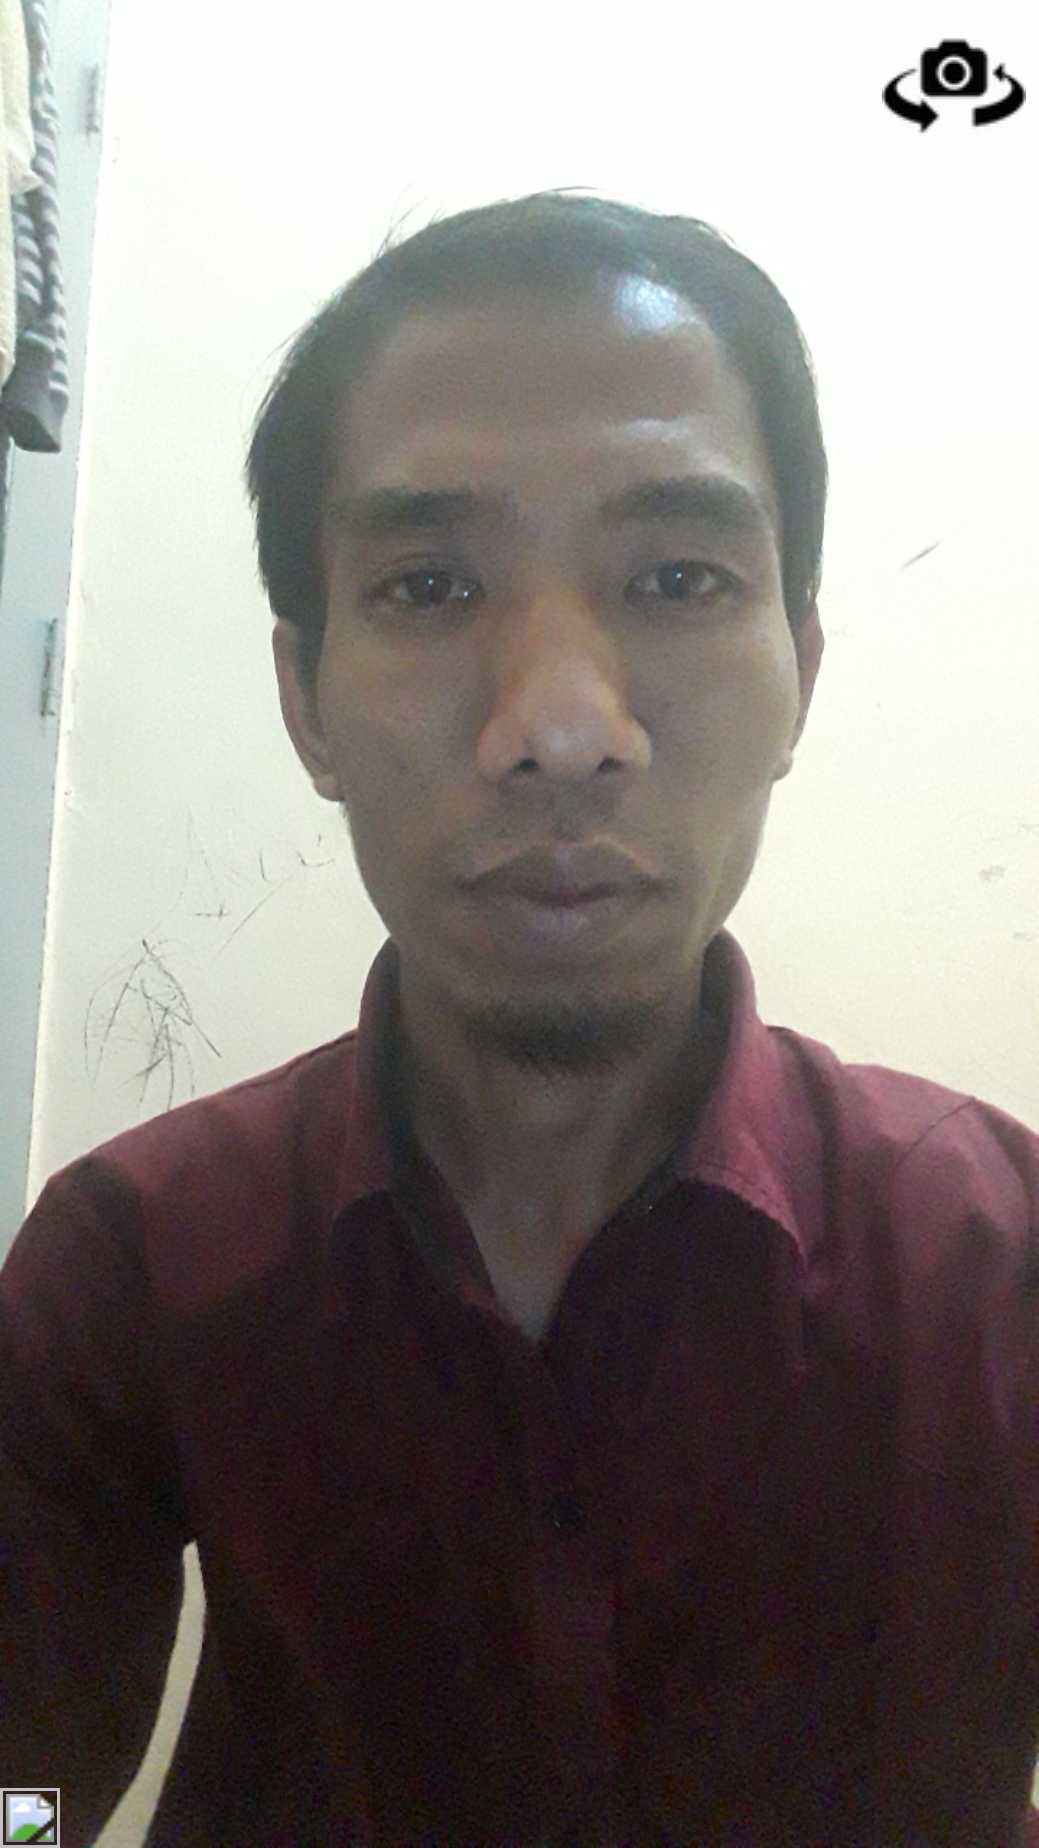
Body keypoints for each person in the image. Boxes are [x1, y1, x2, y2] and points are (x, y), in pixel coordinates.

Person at [2, 188, 1037, 1848]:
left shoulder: (1003, 1267)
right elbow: (23, 1796)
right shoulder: (133, 1260)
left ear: (803, 667)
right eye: (428, 586)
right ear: (302, 698)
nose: (560, 726)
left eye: (679, 576)